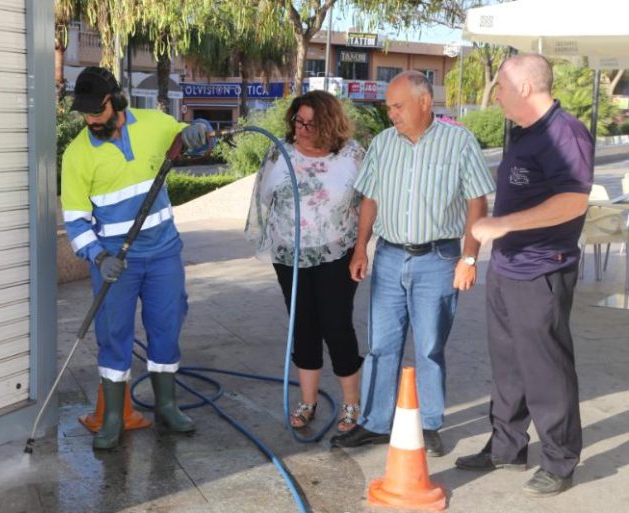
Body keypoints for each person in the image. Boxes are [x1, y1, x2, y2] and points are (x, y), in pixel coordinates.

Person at [330, 71, 495, 455]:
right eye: (389, 107)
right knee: (381, 346)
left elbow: (477, 202)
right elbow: (369, 199)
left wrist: (470, 257)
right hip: (388, 257)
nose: (392, 115)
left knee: (430, 346)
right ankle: (374, 422)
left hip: (439, 258)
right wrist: (360, 249)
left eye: (398, 106)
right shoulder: (384, 144)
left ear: (425, 102)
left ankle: (430, 423)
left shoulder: (459, 142)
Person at [455, 54, 592, 497]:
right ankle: (507, 446)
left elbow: (573, 201)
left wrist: (502, 224)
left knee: (545, 368)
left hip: (542, 269)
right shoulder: (523, 132)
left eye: (501, 87)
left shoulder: (563, 133)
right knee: (508, 365)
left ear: (527, 88)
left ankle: (559, 459)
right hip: (509, 267)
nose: (495, 95)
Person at [61, 67, 209, 450]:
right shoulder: (77, 154)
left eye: (98, 110)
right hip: (116, 263)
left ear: (117, 100)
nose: (92, 118)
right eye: (86, 113)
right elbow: (75, 219)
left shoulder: (154, 124)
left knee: (167, 323)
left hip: (163, 254)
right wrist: (96, 256)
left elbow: (187, 137)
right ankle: (113, 416)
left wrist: (200, 128)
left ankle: (167, 405)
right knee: (113, 334)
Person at [245, 90, 366, 432]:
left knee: (337, 326)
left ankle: (351, 405)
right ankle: (308, 401)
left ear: (329, 124)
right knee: (303, 326)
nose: (302, 129)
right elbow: (264, 196)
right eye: (298, 120)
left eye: (311, 123)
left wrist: (361, 248)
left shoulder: (352, 154)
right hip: (290, 255)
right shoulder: (279, 153)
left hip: (335, 252)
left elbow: (368, 201)